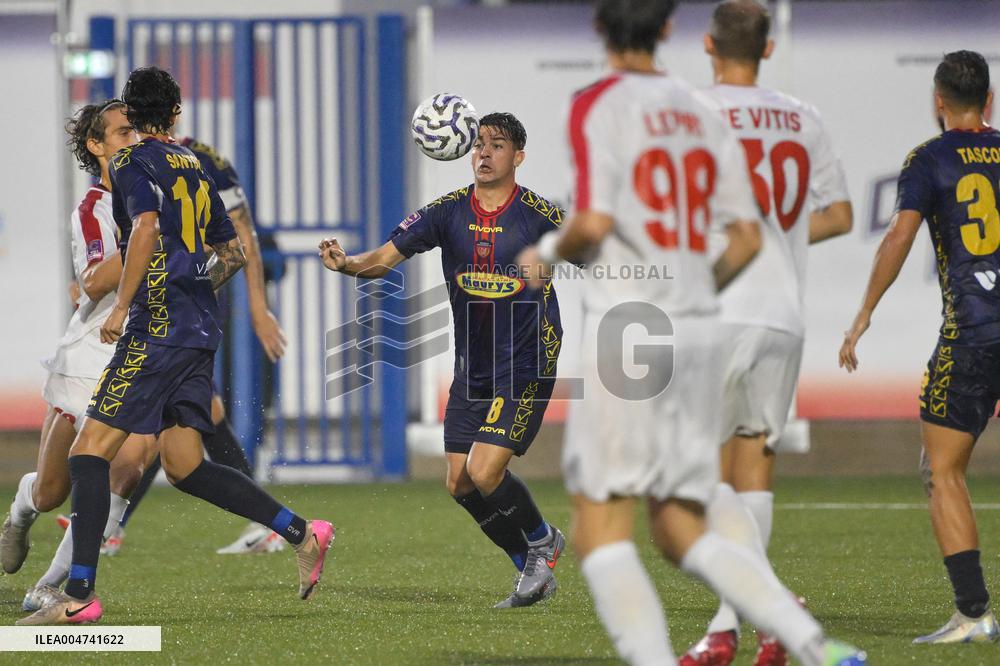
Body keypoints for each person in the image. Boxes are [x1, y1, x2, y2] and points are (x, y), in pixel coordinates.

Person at [518, 2, 865, 665]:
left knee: (600, 527)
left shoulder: (596, 102)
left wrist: (545, 254)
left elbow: (591, 223)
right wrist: (697, 292)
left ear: (599, 29)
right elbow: (747, 237)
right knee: (682, 521)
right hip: (701, 324)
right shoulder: (700, 111)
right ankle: (808, 641)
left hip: (633, 327)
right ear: (670, 31)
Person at [17, 66, 333, 626]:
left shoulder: (131, 162)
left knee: (89, 454)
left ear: (132, 113)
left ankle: (79, 595)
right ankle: (301, 532)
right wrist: (192, 287)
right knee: (185, 465)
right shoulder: (193, 164)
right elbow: (232, 252)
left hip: (154, 331)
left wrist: (124, 306)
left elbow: (143, 228)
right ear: (176, 113)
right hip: (198, 332)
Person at [319, 112, 565, 608]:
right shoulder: (446, 211)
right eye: (479, 143)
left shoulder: (538, 213)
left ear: (518, 157)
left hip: (526, 362)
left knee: (485, 471)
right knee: (459, 482)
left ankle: (543, 542)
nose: (484, 153)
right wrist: (346, 264)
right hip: (473, 367)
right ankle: (530, 568)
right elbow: (383, 259)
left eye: (497, 145)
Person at [684, 2, 853, 664]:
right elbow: (839, 215)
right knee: (752, 466)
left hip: (718, 307)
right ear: (769, 49)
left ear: (708, 45)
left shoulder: (691, 112)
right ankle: (745, 625)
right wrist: (781, 237)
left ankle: (744, 617)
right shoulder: (803, 118)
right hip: (782, 314)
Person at [840, 50, 1000, 645]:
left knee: (941, 470)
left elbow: (899, 237)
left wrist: (863, 315)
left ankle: (973, 614)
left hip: (974, 334)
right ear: (989, 100)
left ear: (938, 101)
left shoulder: (930, 159)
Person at [0, 100, 156, 612]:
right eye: (123, 132)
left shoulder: (158, 195)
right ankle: (20, 513)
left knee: (128, 467)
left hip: (147, 351)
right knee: (51, 491)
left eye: (137, 130)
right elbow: (91, 281)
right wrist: (146, 238)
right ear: (96, 145)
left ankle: (53, 586)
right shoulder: (94, 209)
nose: (134, 139)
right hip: (93, 354)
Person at [111, 131, 288, 556]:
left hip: (184, 302)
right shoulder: (135, 162)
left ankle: (107, 524)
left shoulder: (201, 160)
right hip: (159, 303)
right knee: (197, 410)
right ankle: (270, 523)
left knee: (166, 409)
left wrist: (258, 308)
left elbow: (242, 234)